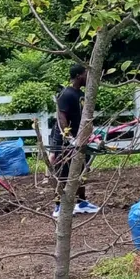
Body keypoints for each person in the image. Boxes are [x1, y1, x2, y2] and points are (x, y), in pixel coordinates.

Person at [52, 64, 101, 218]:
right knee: (64, 172)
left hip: (81, 139)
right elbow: (61, 117)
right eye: (87, 74)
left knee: (82, 169)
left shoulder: (80, 94)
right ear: (79, 75)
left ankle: (81, 202)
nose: (89, 77)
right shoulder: (66, 94)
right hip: (66, 140)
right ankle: (58, 206)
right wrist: (69, 138)